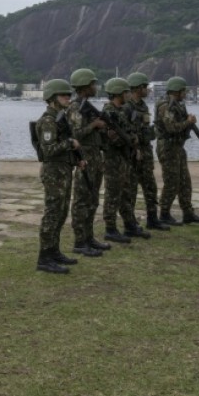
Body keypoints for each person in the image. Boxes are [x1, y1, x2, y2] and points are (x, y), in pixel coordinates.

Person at [34, 79, 84, 274]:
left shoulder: (60, 119)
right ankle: (44, 257)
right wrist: (70, 143)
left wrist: (76, 159)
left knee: (62, 212)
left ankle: (54, 251)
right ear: (53, 97)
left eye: (69, 95)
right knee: (52, 213)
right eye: (64, 95)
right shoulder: (48, 121)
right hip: (53, 172)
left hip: (63, 170)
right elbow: (48, 151)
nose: (68, 98)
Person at [66, 68, 112, 257]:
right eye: (92, 84)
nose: (95, 87)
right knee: (81, 201)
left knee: (93, 200)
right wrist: (94, 125)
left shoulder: (88, 107)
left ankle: (89, 237)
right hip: (84, 158)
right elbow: (75, 134)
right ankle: (79, 241)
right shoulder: (75, 108)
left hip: (95, 157)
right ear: (84, 86)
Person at [101, 77, 151, 241]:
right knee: (112, 195)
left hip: (124, 158)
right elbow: (111, 138)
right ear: (118, 93)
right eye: (126, 92)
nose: (129, 95)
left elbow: (129, 131)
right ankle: (110, 229)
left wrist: (134, 143)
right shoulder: (109, 113)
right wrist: (128, 140)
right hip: (113, 159)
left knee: (126, 194)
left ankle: (130, 225)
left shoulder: (120, 111)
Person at [155, 77, 199, 226]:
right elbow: (171, 128)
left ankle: (188, 213)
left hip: (178, 147)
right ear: (177, 91)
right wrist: (188, 122)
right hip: (168, 148)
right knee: (171, 182)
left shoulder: (178, 105)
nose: (185, 93)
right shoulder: (165, 106)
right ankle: (164, 214)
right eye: (183, 90)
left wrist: (188, 122)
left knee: (185, 182)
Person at [125, 72, 167, 231]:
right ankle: (131, 223)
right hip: (134, 154)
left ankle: (152, 219)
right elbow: (125, 131)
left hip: (146, 152)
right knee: (131, 190)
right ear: (137, 88)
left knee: (150, 187)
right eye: (145, 87)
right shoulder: (127, 107)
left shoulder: (143, 106)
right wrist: (135, 147)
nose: (148, 90)